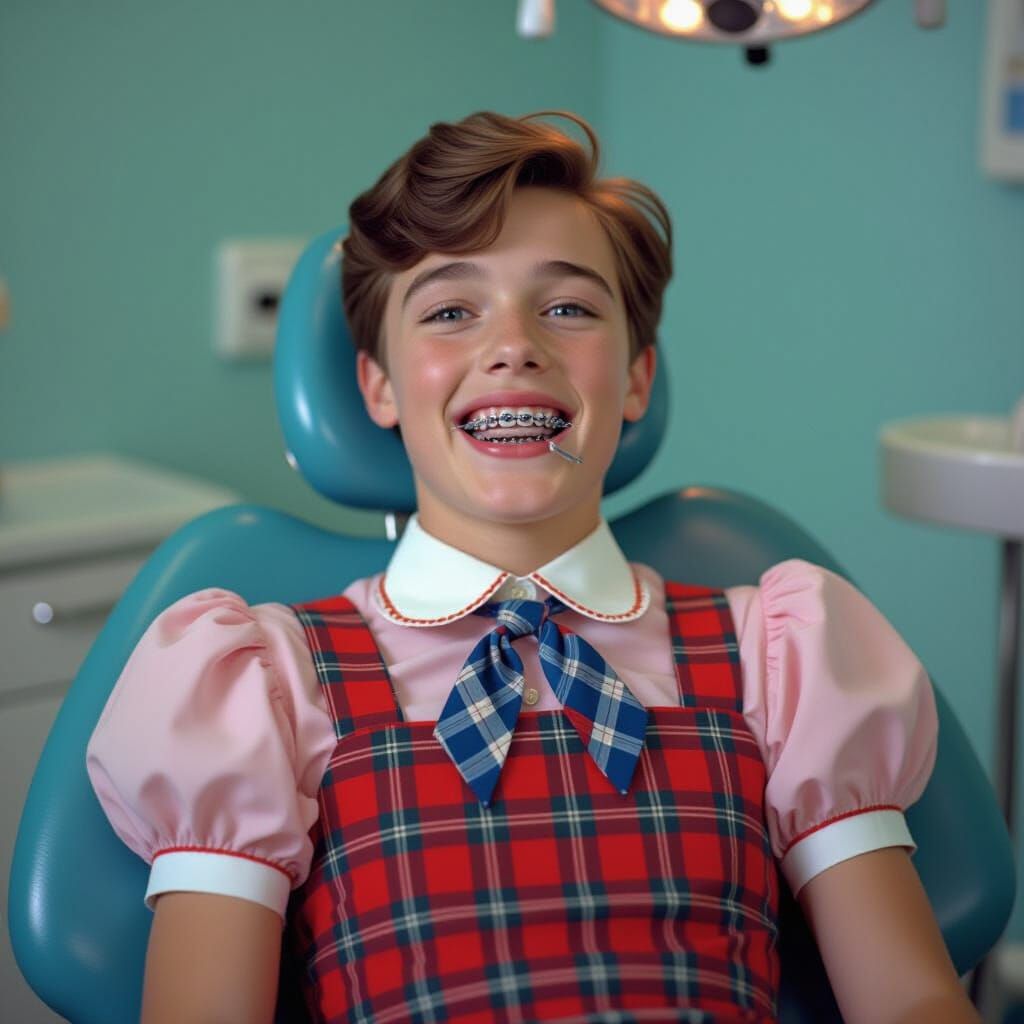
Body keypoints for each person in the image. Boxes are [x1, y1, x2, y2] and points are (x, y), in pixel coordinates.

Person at [86, 110, 980, 1024]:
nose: (514, 344)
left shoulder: (779, 653)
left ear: (634, 377)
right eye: (448, 312)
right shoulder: (266, 682)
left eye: (568, 308)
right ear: (379, 386)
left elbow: (910, 1001)